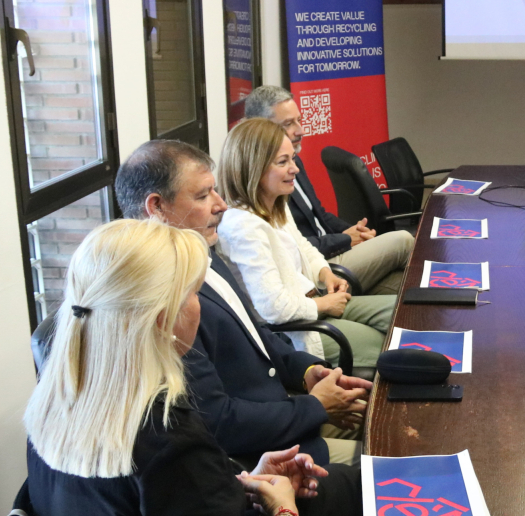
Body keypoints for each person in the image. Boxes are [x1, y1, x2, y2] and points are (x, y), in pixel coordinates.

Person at [22, 219, 361, 515]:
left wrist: (239, 484)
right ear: (163, 319)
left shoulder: (51, 404)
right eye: (195, 293)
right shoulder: (167, 435)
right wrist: (282, 505)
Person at [115, 139, 371, 467]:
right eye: (203, 195)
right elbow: (218, 422)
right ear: (157, 207)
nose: (221, 205)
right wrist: (316, 408)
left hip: (286, 418)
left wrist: (307, 370)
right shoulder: (163, 304)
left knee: (388, 418)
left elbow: (258, 334)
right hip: (261, 463)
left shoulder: (205, 251)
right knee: (389, 462)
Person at [215, 118, 394, 368]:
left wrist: (325, 273)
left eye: (293, 159)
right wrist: (323, 304)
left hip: (313, 304)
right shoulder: (242, 226)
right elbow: (273, 308)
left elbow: (304, 248)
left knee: (400, 314)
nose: (295, 169)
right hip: (296, 333)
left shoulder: (274, 203)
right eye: (283, 162)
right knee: (388, 347)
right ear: (253, 168)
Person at [245, 86, 412, 296]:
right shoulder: (266, 181)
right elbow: (295, 248)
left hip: (329, 256)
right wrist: (346, 239)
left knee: (405, 287)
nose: (300, 130)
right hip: (317, 268)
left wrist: (355, 232)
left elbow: (320, 216)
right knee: (404, 240)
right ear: (261, 129)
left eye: (299, 120)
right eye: (288, 124)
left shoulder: (294, 161)